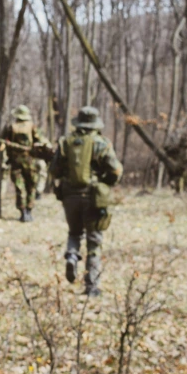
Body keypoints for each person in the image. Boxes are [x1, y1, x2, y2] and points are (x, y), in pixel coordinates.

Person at [51, 107, 122, 297]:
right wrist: (105, 183)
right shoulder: (102, 143)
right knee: (94, 240)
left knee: (74, 232)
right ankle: (91, 286)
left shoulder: (66, 142)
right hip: (93, 197)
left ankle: (72, 256)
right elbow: (115, 171)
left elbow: (55, 170)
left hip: (69, 197)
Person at [0, 105, 48, 222]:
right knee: (31, 186)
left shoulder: (11, 127)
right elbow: (40, 141)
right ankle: (29, 210)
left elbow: (4, 142)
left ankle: (23, 212)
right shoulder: (32, 127)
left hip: (16, 162)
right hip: (30, 162)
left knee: (20, 188)